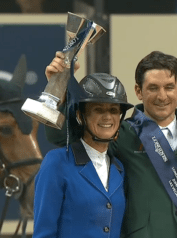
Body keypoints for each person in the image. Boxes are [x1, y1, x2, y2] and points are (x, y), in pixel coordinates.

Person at [44, 51, 177, 238]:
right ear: (138, 91)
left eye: (169, 87)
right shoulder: (122, 134)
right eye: (153, 88)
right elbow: (60, 136)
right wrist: (58, 86)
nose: (162, 96)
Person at [33, 73, 134, 237]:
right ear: (80, 115)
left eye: (113, 110)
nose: (107, 117)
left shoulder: (119, 169)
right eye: (98, 109)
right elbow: (44, 232)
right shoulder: (57, 163)